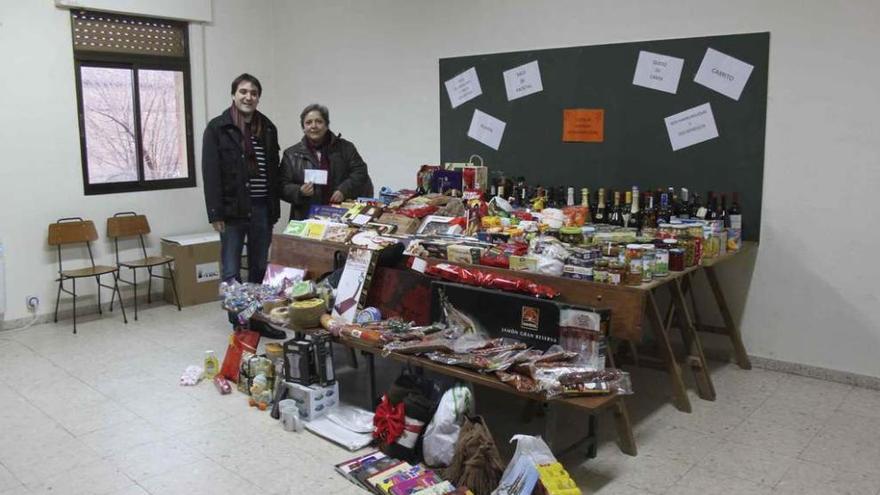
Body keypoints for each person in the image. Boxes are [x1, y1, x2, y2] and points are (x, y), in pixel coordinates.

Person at [202, 73, 281, 286]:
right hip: (232, 211)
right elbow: (210, 173)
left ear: (258, 98)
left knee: (260, 266)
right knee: (231, 270)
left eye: (254, 93)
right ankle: (237, 319)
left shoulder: (268, 127)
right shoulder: (217, 128)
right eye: (243, 92)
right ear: (233, 95)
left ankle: (255, 317)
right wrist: (215, 213)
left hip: (262, 208)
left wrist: (275, 209)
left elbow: (274, 170)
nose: (248, 97)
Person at [280, 103, 373, 220]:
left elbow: (360, 172)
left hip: (340, 213)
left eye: (319, 121)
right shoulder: (291, 154)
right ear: (303, 127)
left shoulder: (346, 148)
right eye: (308, 122)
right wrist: (299, 191)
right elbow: (281, 185)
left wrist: (344, 189)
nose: (314, 126)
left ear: (326, 125)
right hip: (305, 216)